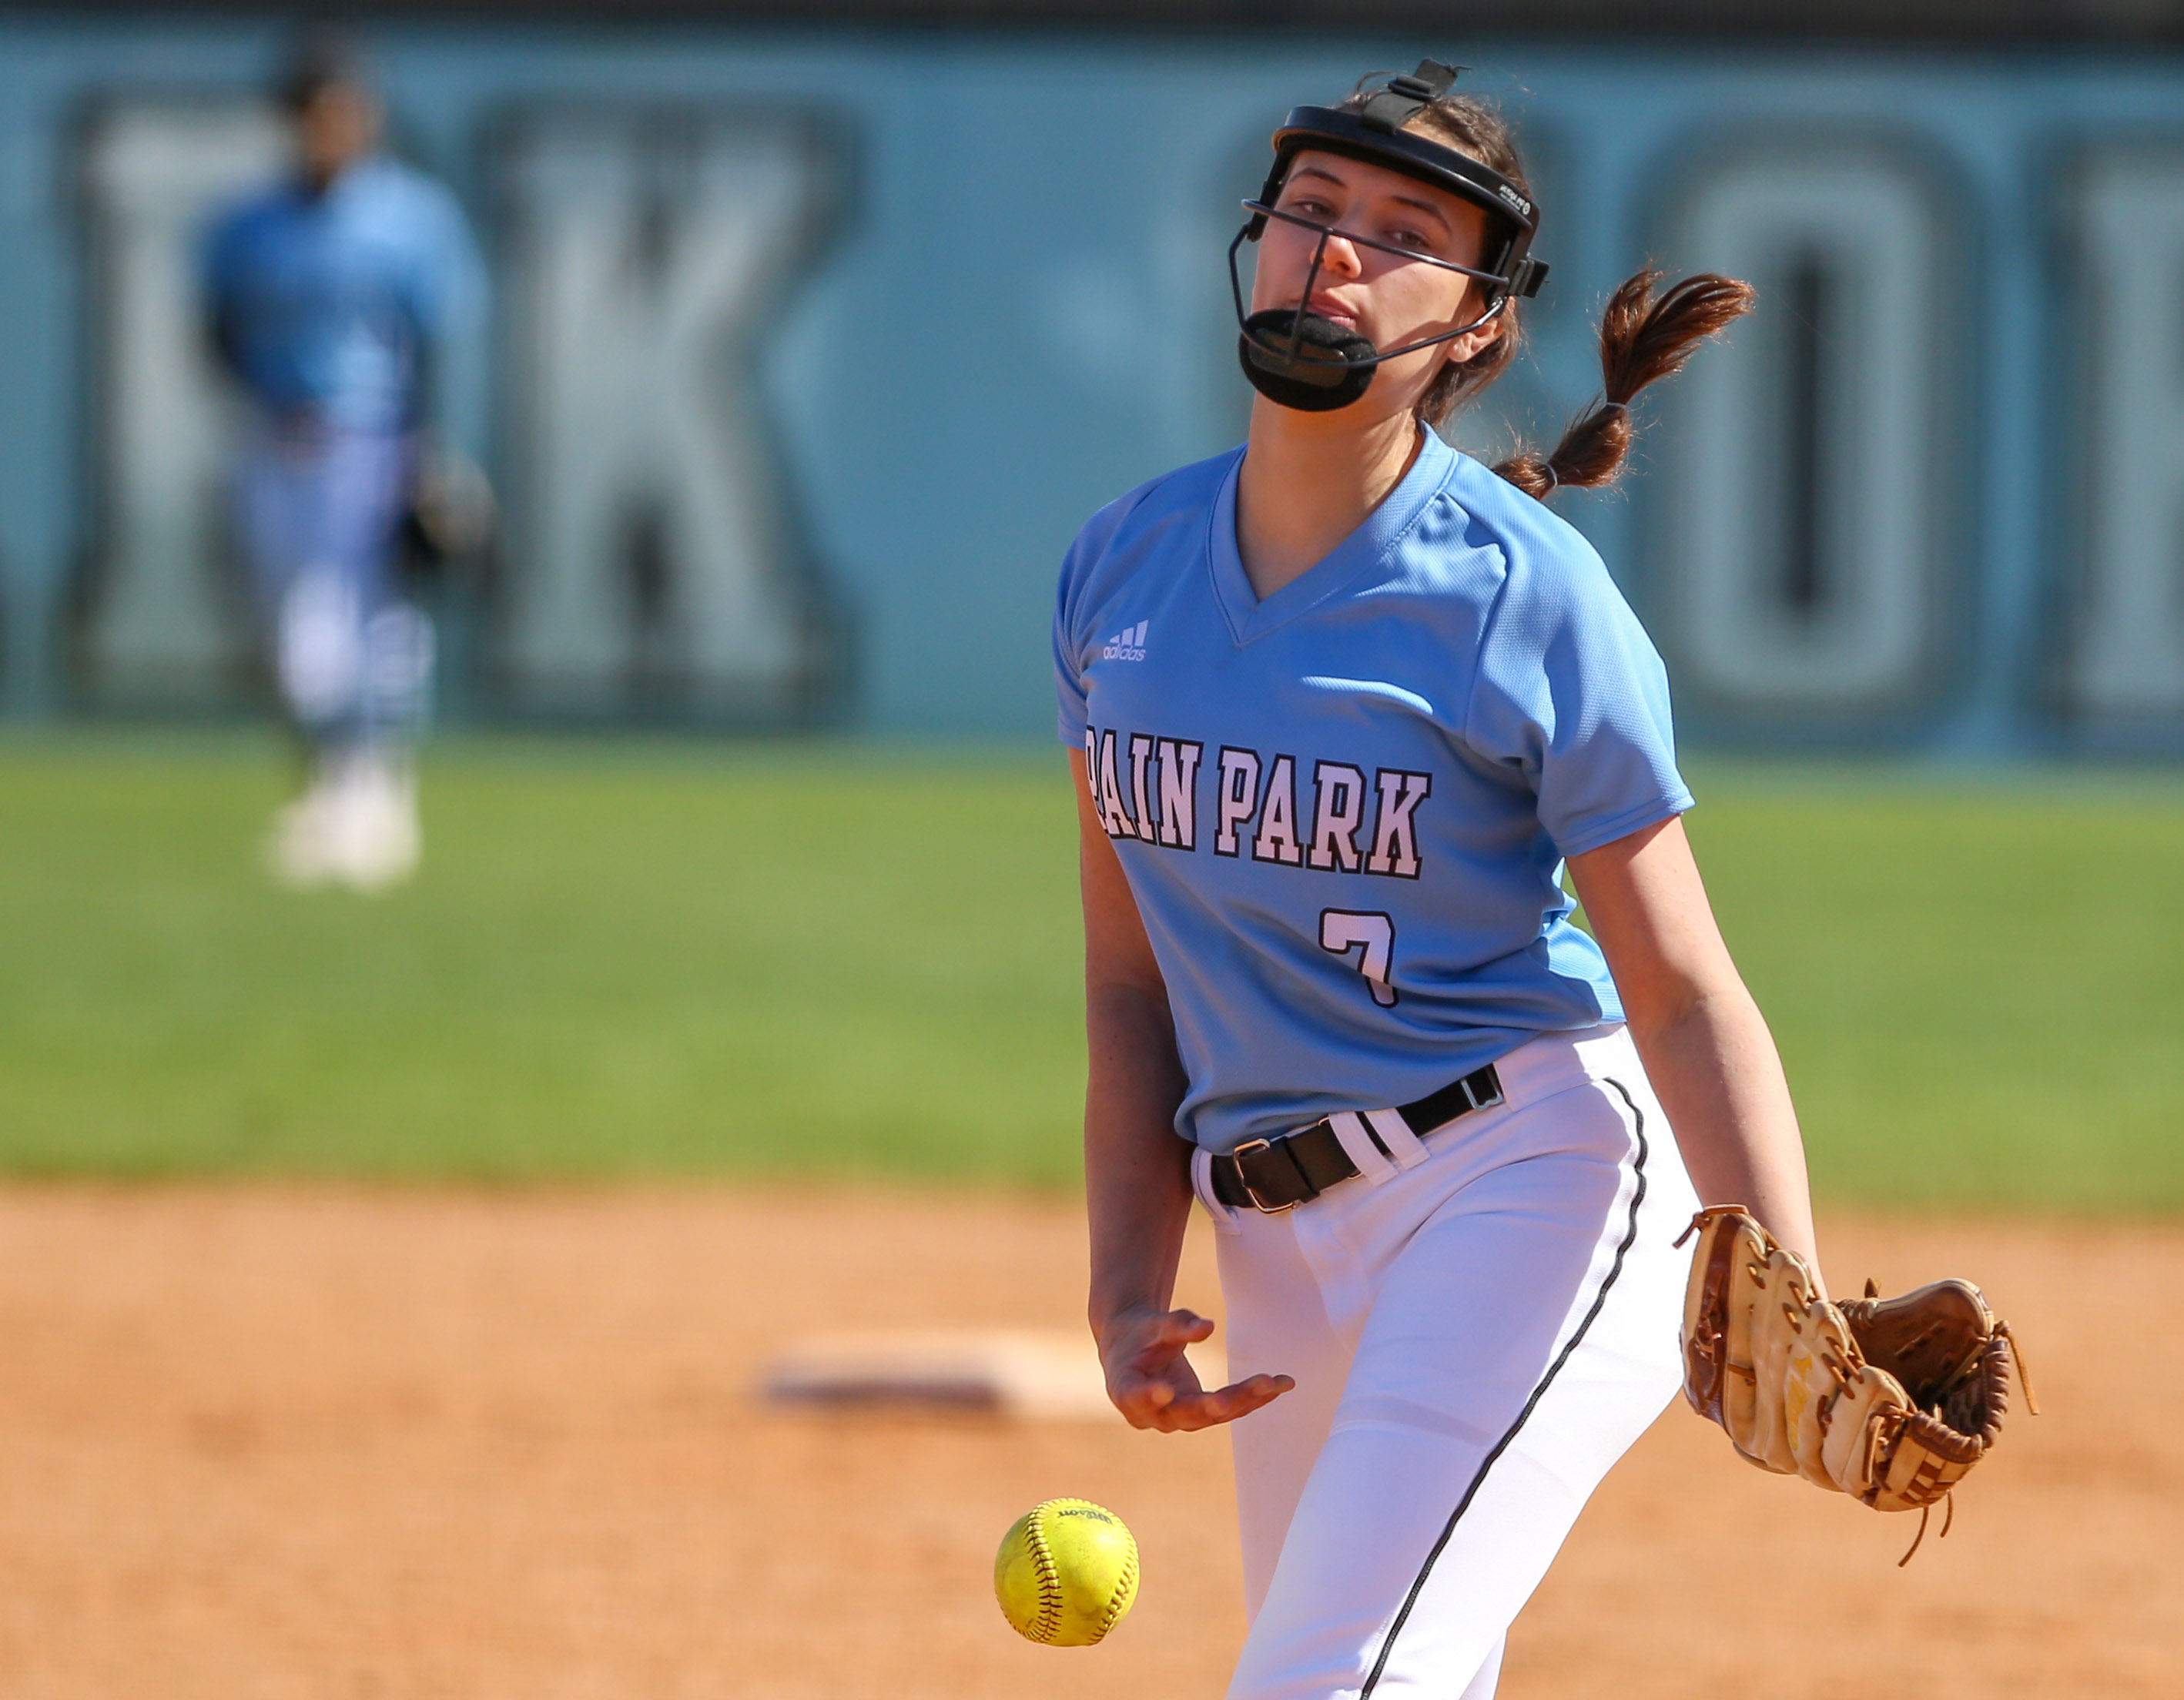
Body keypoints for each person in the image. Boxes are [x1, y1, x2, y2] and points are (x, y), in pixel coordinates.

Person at [1056, 62, 1825, 1699]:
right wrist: (1129, 1287)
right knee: (1394, 1670)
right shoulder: (1117, 570)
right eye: (1310, 211)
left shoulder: (1521, 598)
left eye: (1402, 232)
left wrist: (1786, 1277)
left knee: (1331, 1677)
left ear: (1475, 323)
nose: (1335, 251)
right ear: (1252, 241)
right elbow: (1132, 993)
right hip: (1265, 1235)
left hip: (1519, 1181)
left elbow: (1680, 985)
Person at [202, 39, 484, 890]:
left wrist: (430, 456)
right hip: (280, 440)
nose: (335, 129)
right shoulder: (249, 225)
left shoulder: (409, 216)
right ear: (292, 121)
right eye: (318, 113)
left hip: (374, 441)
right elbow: (216, 331)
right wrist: (264, 404)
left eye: (348, 112)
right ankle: (331, 789)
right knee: (295, 640)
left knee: (376, 633)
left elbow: (436, 344)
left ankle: (378, 794)